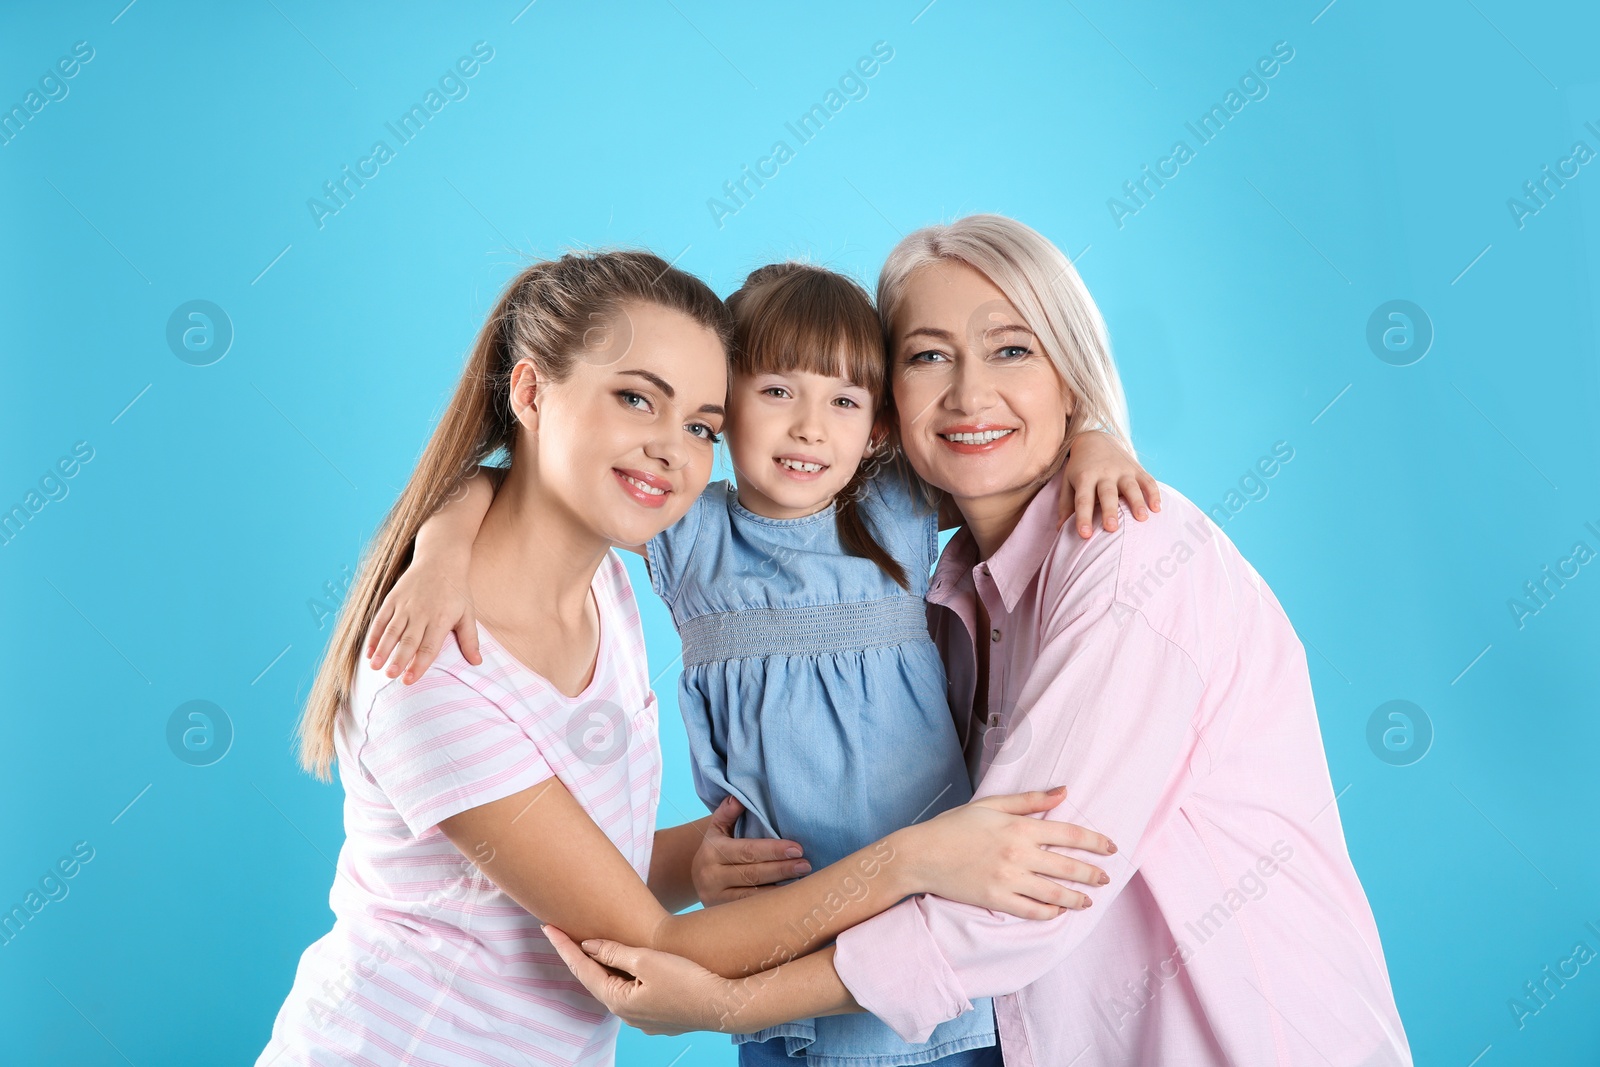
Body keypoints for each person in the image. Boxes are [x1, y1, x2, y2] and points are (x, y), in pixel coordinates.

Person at [546, 218, 1415, 1067]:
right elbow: (564, 482)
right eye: (928, 356)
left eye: (1012, 349)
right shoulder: (952, 592)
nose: (966, 394)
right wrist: (439, 543)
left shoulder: (1132, 562)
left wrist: (725, 998)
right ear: (899, 407)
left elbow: (1016, 895)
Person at [254, 248, 1118, 1067]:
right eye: (636, 399)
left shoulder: (604, 581)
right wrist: (922, 857)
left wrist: (1098, 438)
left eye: (699, 421)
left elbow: (1002, 453)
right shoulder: (440, 663)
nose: (672, 449)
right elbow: (650, 941)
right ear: (531, 390)